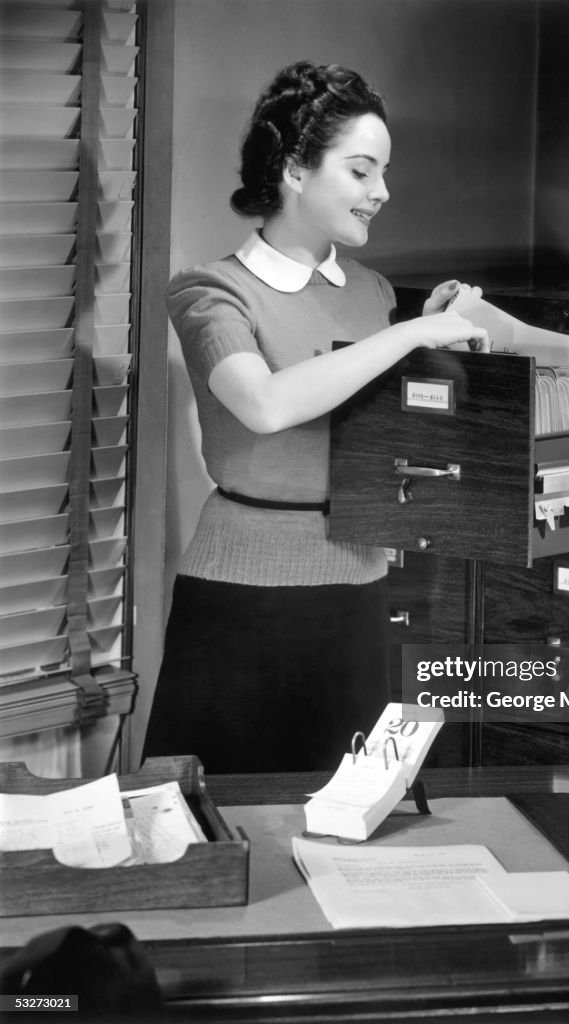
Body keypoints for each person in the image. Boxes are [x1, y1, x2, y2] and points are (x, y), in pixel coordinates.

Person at [143, 60, 487, 773]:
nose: (382, 192)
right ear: (297, 168)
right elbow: (264, 404)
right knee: (225, 821)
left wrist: (423, 342)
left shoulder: (373, 293)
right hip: (241, 594)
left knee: (347, 819)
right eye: (362, 172)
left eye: (383, 173)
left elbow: (375, 428)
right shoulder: (211, 292)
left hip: (359, 580)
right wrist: (409, 337)